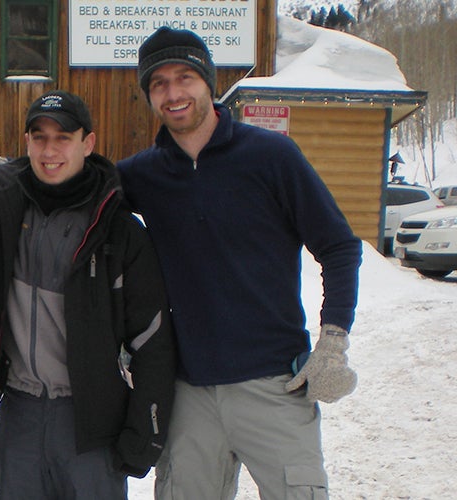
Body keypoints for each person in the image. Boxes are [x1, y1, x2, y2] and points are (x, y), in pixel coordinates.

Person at [116, 26, 362, 499]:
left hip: (274, 386)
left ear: (207, 81)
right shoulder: (142, 175)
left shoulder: (271, 157)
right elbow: (71, 188)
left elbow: (339, 247)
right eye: (158, 83)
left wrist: (333, 341)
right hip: (187, 393)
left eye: (184, 77)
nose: (173, 93)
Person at [0, 90, 177, 499]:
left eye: (63, 137)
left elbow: (152, 340)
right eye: (39, 137)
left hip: (90, 423)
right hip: (20, 417)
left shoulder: (118, 232)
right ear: (27, 142)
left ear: (88, 143)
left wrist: (145, 433)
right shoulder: (7, 207)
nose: (50, 150)